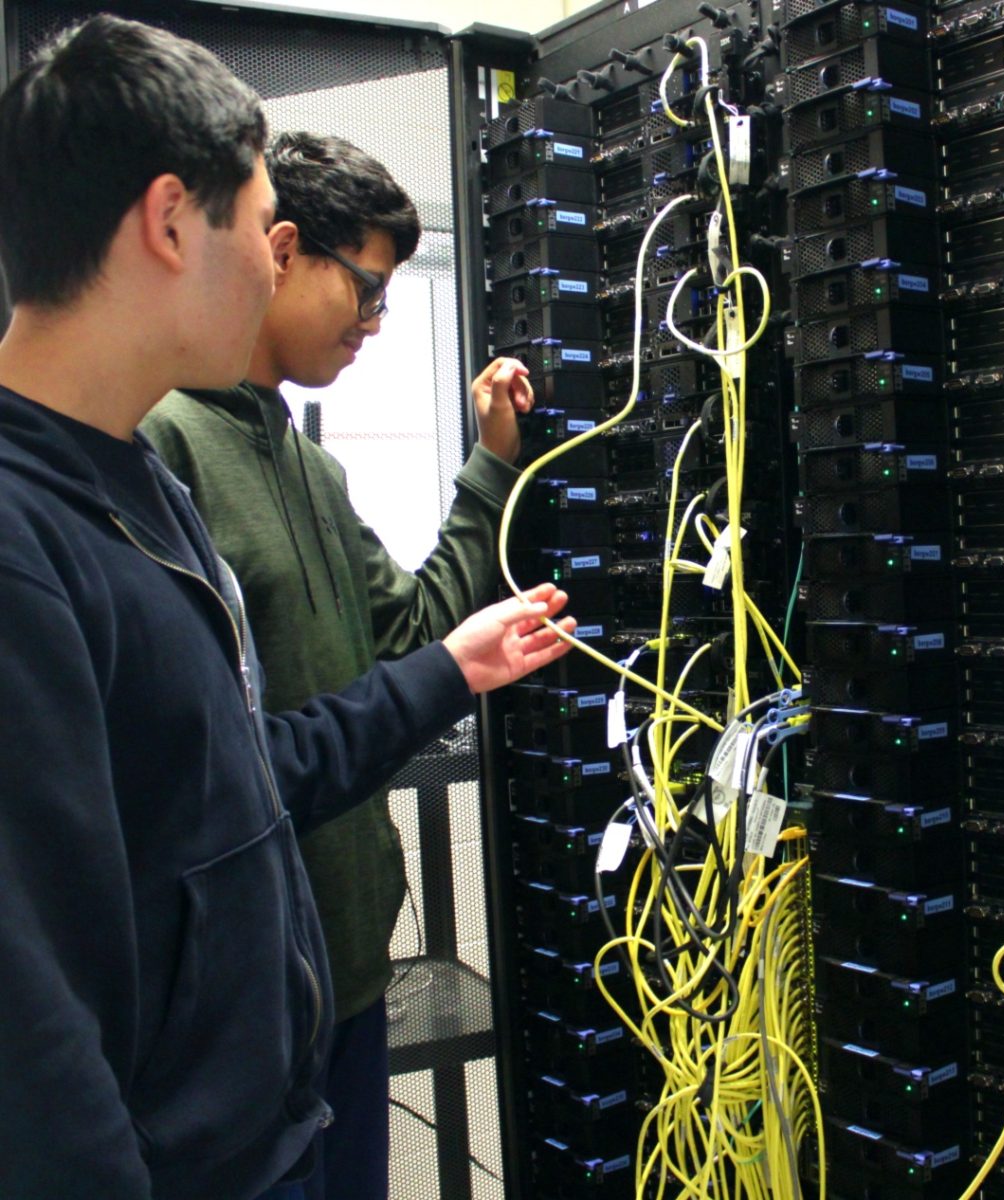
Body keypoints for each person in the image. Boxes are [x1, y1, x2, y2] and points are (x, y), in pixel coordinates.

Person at [0, 16, 572, 1200]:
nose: (272, 262)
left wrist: (448, 667)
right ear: (168, 222)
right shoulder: (28, 536)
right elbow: (33, 1029)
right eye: (263, 228)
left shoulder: (139, 485)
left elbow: (243, 774)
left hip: (271, 1105)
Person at [142, 130, 530, 1200]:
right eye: (362, 287)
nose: (373, 321)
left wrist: (491, 463)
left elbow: (406, 635)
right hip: (239, 1003)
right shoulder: (161, 444)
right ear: (278, 251)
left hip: (348, 967)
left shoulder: (306, 462)